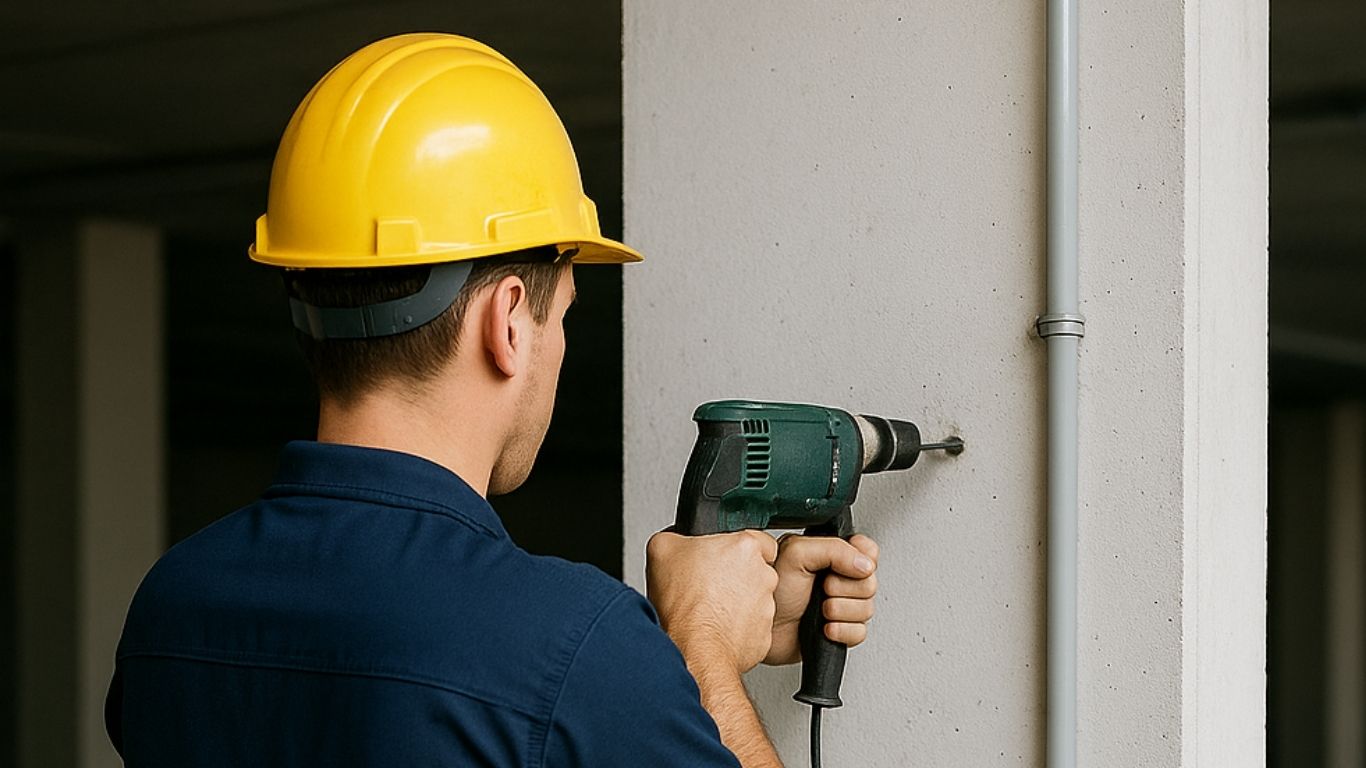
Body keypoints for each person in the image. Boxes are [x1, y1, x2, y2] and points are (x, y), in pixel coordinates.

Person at [105, 33, 879, 767]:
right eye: (564, 313)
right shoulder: (572, 645)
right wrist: (701, 651)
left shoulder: (172, 606)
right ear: (508, 320)